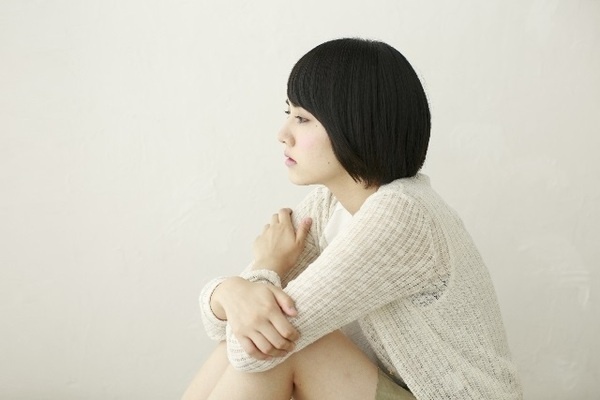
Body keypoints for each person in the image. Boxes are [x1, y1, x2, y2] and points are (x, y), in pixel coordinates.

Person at [182, 38, 523, 400]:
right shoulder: (328, 205)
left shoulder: (402, 215)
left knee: (285, 345)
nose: (282, 135)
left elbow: (253, 348)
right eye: (288, 114)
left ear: (356, 126)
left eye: (302, 119)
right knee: (258, 336)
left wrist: (266, 267)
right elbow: (222, 327)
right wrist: (232, 292)